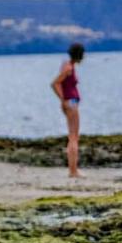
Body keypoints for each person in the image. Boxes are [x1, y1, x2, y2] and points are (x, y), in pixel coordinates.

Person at [50, 42, 86, 178]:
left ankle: (73, 169)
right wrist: (63, 99)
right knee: (74, 137)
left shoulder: (67, 65)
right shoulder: (68, 68)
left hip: (70, 101)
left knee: (73, 136)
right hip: (71, 102)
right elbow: (55, 83)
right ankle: (73, 171)